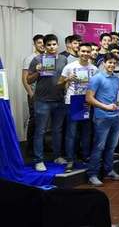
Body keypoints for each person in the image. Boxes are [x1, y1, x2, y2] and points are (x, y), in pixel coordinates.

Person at [27, 34, 69, 172]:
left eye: (54, 44)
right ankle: (38, 160)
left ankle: (57, 156)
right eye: (49, 45)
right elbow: (29, 80)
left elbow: (64, 79)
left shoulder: (63, 59)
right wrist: (38, 71)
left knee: (57, 130)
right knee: (40, 131)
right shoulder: (37, 59)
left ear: (57, 45)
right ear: (44, 46)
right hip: (42, 101)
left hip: (59, 100)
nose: (52, 47)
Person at [85, 53, 119, 186]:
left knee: (111, 147)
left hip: (116, 117)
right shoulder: (96, 78)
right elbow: (89, 98)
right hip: (101, 118)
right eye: (109, 63)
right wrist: (105, 107)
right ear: (104, 63)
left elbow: (117, 98)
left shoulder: (116, 78)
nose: (112, 65)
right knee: (99, 147)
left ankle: (108, 171)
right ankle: (92, 174)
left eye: (114, 63)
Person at [59, 43, 98, 172]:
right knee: (71, 132)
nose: (85, 54)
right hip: (73, 101)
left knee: (86, 131)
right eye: (83, 51)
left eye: (88, 51)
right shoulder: (69, 66)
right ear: (78, 51)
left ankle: (85, 156)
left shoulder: (94, 69)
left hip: (87, 101)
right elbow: (59, 83)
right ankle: (70, 159)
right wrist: (67, 79)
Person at [22, 34, 44, 155]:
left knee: (43, 122)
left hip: (44, 95)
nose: (41, 45)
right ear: (34, 44)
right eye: (39, 43)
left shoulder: (47, 58)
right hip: (34, 95)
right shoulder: (30, 58)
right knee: (34, 119)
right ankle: (29, 146)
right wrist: (31, 94)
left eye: (43, 42)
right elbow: (24, 79)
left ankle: (40, 144)